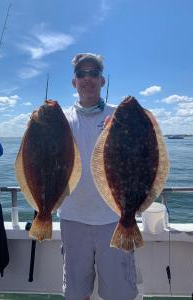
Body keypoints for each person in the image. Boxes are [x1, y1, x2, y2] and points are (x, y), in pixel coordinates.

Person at [58, 53, 138, 300]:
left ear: (102, 80)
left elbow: (142, 156)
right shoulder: (60, 118)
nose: (87, 79)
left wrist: (126, 127)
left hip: (114, 219)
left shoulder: (120, 116)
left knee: (119, 294)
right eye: (82, 74)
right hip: (73, 218)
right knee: (76, 293)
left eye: (94, 73)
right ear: (74, 82)